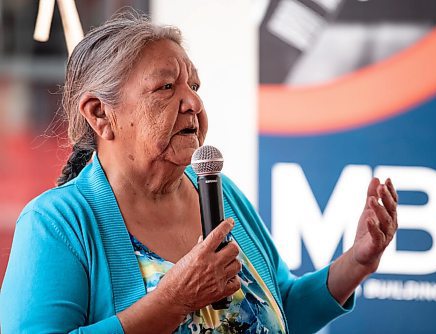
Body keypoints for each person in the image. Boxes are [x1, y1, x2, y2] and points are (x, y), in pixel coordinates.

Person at [0, 12, 398, 334]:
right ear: (101, 115)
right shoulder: (54, 224)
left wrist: (356, 263)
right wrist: (173, 302)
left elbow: (282, 307)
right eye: (166, 87)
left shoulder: (222, 195)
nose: (192, 101)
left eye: (193, 84)